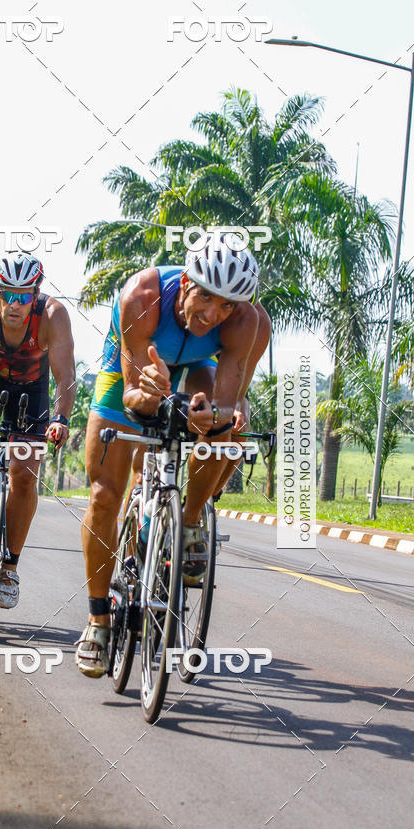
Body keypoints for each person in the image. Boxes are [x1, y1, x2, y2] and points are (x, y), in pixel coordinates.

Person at [76, 233, 271, 677]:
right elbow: (131, 398)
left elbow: (228, 401)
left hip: (196, 370)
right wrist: (153, 391)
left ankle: (190, 520)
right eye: (207, 298)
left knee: (227, 435)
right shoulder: (141, 296)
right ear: (184, 282)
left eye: (227, 306)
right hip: (133, 370)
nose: (213, 315)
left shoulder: (248, 321)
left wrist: (211, 415)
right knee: (105, 495)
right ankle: (98, 621)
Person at [0, 252, 76, 609]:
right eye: (8, 294)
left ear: (36, 294)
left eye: (25, 296)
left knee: (24, 475)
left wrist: (60, 418)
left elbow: (66, 376)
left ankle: (9, 567)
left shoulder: (53, 315)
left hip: (31, 387)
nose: (16, 304)